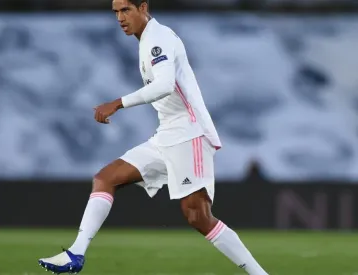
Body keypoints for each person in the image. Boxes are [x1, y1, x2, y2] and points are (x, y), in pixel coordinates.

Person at [38, 0, 269, 274]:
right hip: (167, 134)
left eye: (126, 10)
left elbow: (164, 85)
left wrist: (118, 103)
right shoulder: (146, 40)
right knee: (105, 178)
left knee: (198, 216)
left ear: (143, 7)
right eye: (116, 12)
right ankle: (75, 254)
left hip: (188, 134)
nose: (120, 18)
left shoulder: (157, 39)